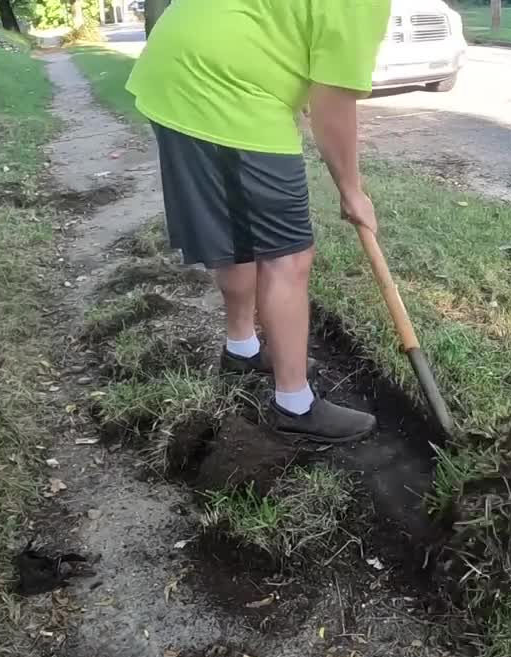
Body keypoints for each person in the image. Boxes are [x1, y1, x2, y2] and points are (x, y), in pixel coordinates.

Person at [126, 0, 391, 443]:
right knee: (289, 254)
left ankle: (242, 350)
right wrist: (351, 189)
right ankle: (296, 405)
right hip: (220, 87)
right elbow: (331, 106)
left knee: (240, 232)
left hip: (183, 66)